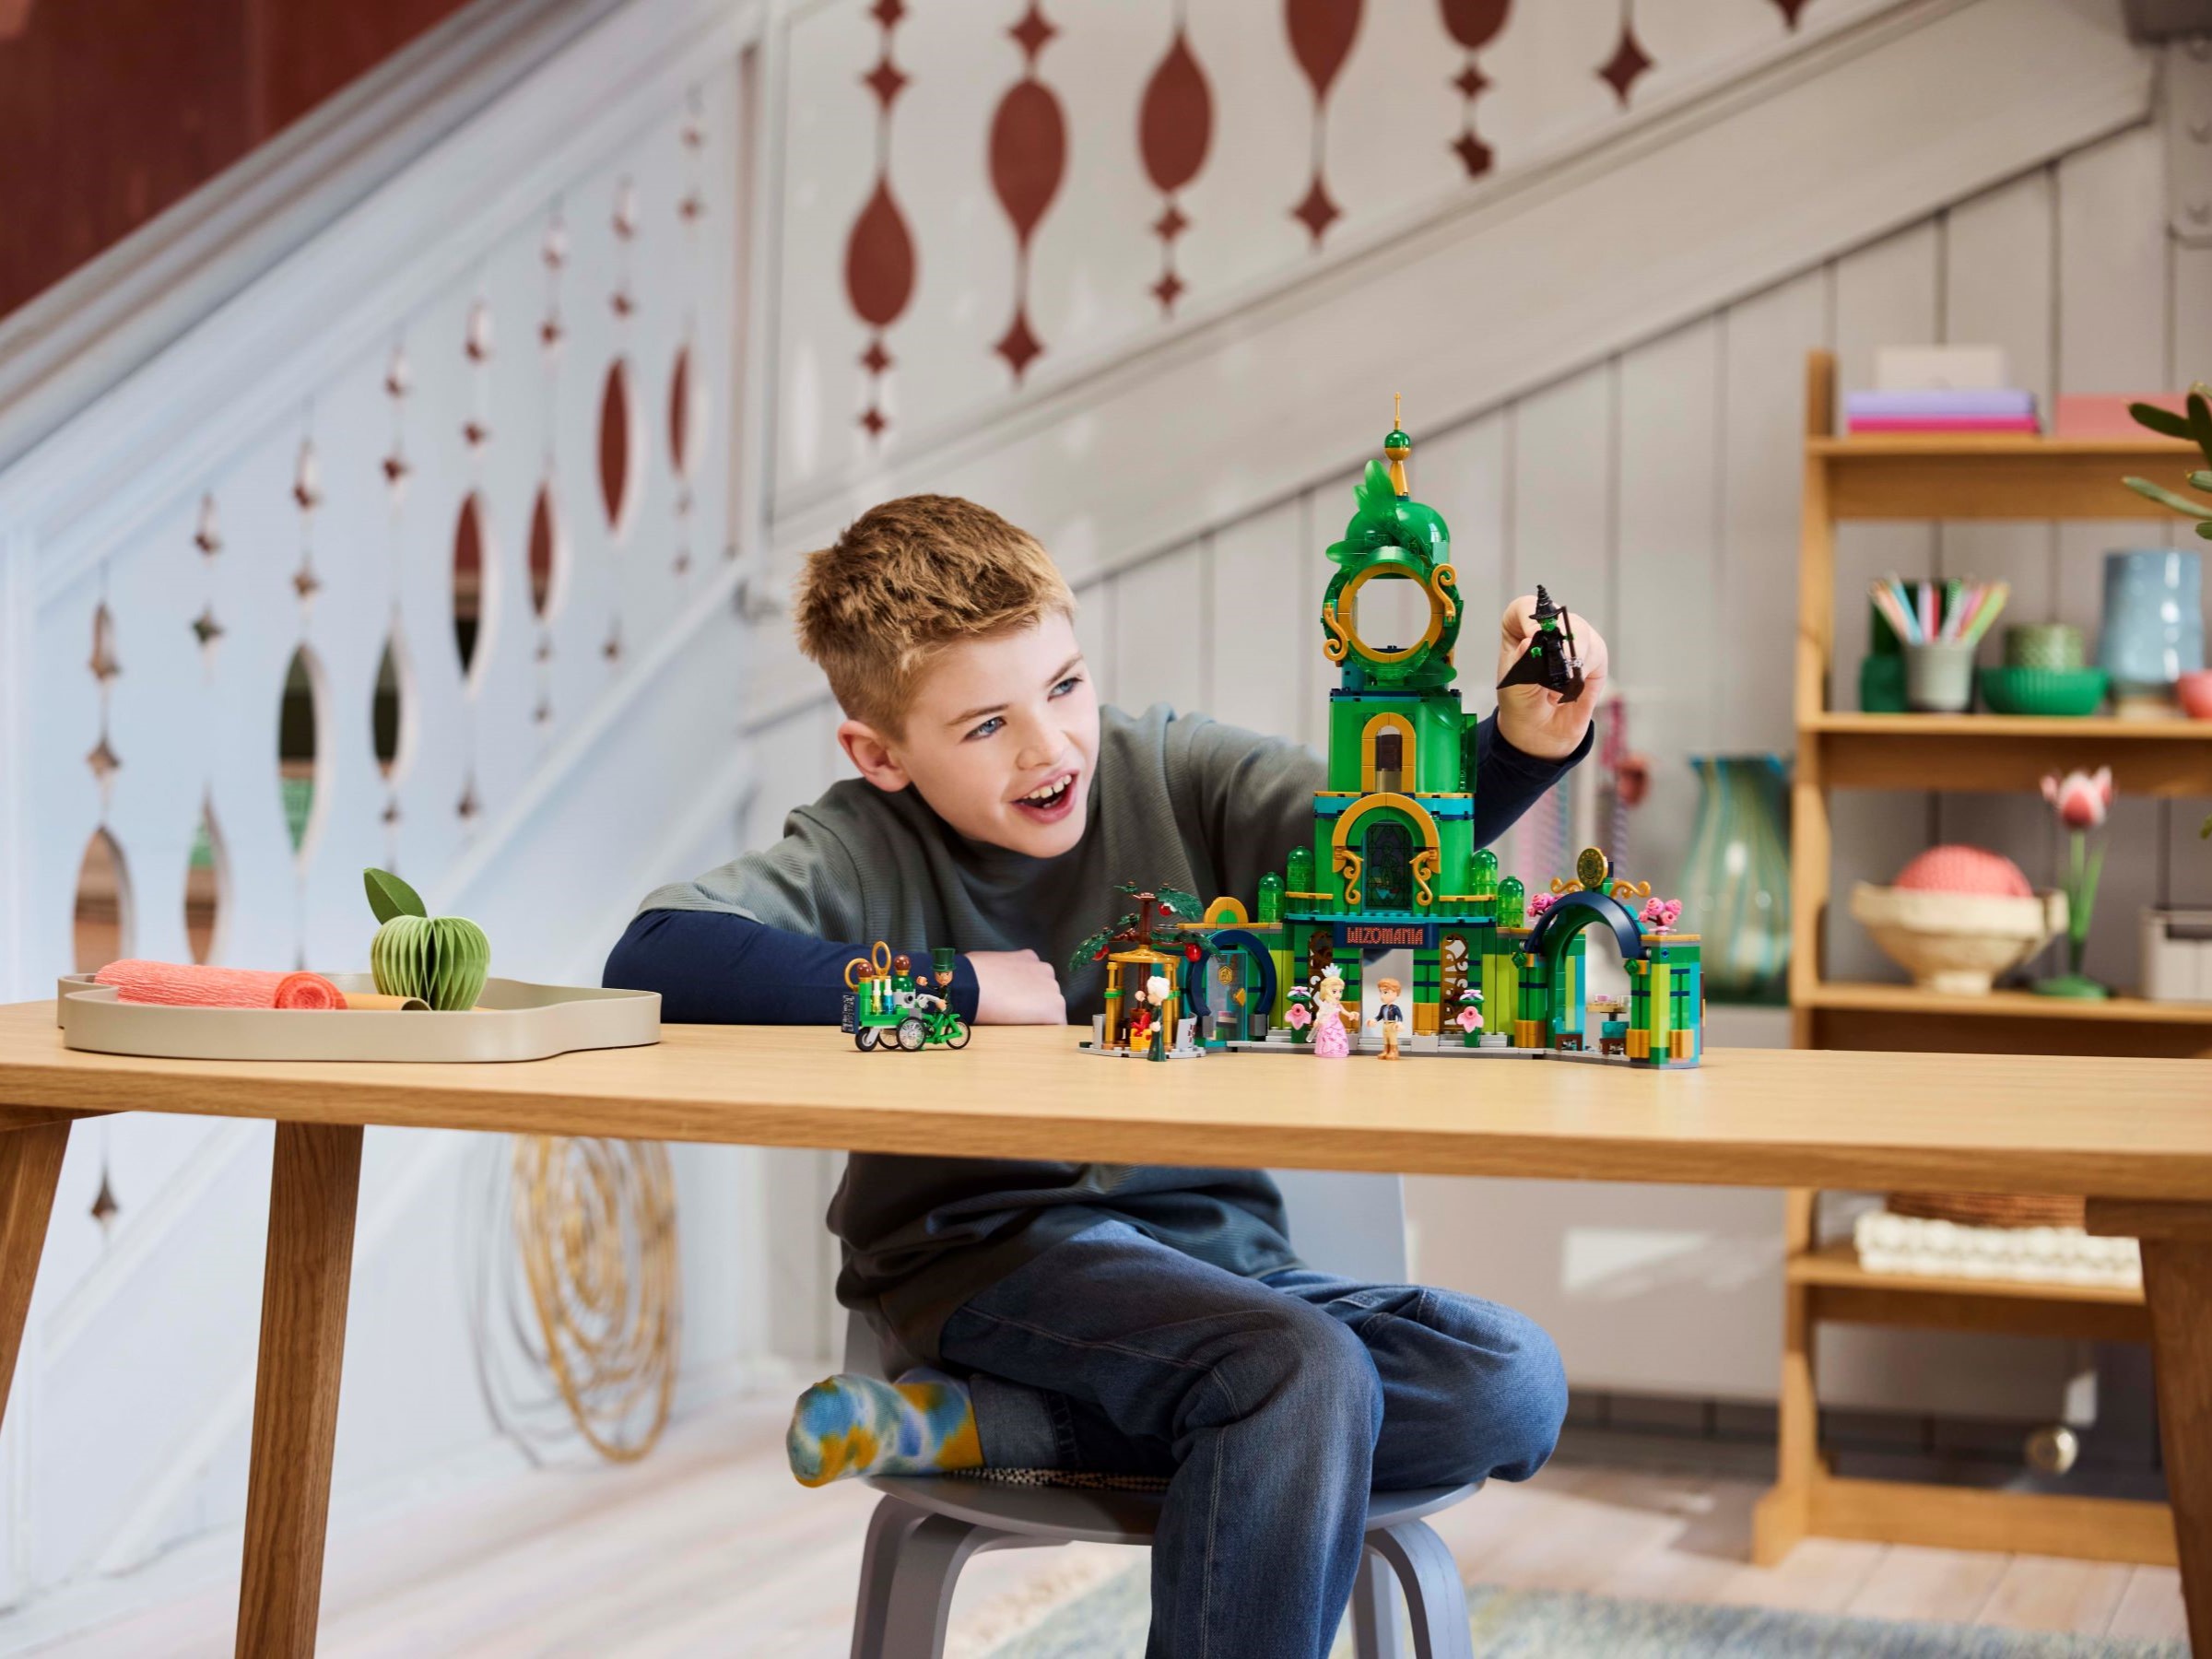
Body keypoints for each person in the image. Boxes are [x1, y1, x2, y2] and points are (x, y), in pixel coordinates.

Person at [604, 494, 1603, 1659]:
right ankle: (1059, 1411)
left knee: (1509, 1380)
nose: (1050, 749)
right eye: (987, 725)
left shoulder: (1173, 769)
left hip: (1227, 1266)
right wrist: (955, 987)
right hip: (990, 1259)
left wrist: (1521, 747)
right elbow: (658, 953)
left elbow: (1372, 850)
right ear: (881, 754)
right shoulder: (859, 847)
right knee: (1295, 1373)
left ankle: (999, 1428)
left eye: (1065, 687)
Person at [1373, 975, 1406, 1060]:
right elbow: (1379, 1016)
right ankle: (1386, 1051)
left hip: (1392, 1025)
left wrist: (1399, 1023)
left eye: (1385, 992)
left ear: (1395, 992)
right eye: (1381, 992)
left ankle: (1394, 1051)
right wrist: (1374, 1020)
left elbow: (1400, 1017)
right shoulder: (1383, 1007)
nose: (1382, 996)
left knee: (1392, 1038)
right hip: (1385, 1025)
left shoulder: (1395, 1008)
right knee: (1386, 1038)